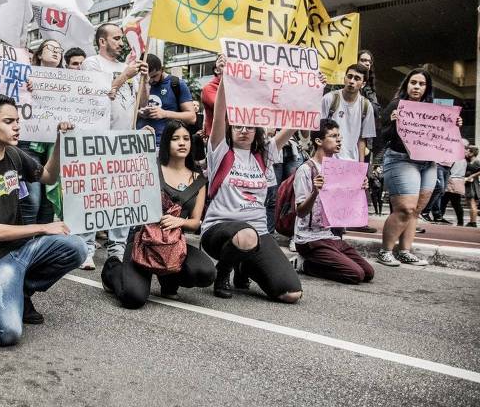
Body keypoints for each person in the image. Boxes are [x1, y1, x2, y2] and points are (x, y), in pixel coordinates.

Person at [0, 94, 86, 346]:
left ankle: (21, 290)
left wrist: (60, 141)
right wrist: (43, 227)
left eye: (18, 121)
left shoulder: (14, 155)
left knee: (76, 247)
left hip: (20, 250)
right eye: (9, 121)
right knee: (7, 333)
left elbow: (47, 176)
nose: (17, 126)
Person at [200, 56, 303, 302]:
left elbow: (294, 122)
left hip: (256, 232)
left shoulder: (264, 154)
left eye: (249, 126)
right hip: (219, 230)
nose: (244, 130)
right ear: (230, 129)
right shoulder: (221, 151)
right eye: (238, 126)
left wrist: (311, 92)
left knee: (291, 293)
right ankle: (222, 273)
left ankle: (243, 265)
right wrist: (225, 78)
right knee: (245, 236)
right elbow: (219, 115)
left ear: (257, 130)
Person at [101, 121, 215, 307]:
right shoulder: (150, 168)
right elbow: (121, 166)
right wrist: (138, 138)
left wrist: (178, 221)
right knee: (133, 298)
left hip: (172, 245)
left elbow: (195, 222)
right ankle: (112, 269)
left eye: (186, 138)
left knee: (205, 272)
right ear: (165, 143)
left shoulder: (199, 179)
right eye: (175, 138)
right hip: (142, 241)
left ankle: (169, 280)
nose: (182, 143)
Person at [377, 68, 461, 267]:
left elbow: (444, 137)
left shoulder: (434, 109)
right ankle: (385, 251)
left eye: (421, 84)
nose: (417, 87)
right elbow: (383, 136)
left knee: (416, 211)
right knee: (405, 208)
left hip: (429, 163)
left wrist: (454, 125)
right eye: (413, 82)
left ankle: (405, 251)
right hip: (401, 159)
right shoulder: (397, 105)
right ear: (407, 85)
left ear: (427, 88)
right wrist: (393, 123)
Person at [79, 23, 147, 262]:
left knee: (122, 198)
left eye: (121, 39)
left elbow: (141, 104)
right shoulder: (92, 64)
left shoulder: (126, 68)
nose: (121, 43)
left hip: (125, 141)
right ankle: (86, 247)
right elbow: (96, 97)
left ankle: (117, 246)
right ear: (102, 41)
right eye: (116, 38)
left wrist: (144, 80)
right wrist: (125, 76)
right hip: (98, 139)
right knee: (95, 196)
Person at [290, 119, 374, 284]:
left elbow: (345, 204)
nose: (339, 140)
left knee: (368, 272)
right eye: (333, 136)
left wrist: (360, 188)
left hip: (329, 235)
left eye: (339, 136)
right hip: (309, 239)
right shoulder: (306, 170)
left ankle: (321, 260)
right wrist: (315, 192)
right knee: (355, 274)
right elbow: (300, 212)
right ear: (319, 141)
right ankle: (303, 264)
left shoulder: (340, 169)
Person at [19, 39, 64, 228]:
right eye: (50, 48)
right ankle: (26, 242)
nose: (55, 52)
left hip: (54, 147)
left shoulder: (70, 82)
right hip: (30, 145)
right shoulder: (25, 76)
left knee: (48, 203)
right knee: (33, 199)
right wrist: (25, 88)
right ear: (38, 54)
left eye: (59, 49)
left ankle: (44, 246)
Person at [137, 53, 196, 146]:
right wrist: (139, 113)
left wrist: (164, 113)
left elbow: (192, 118)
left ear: (162, 69)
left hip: (166, 144)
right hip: (140, 143)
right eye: (148, 77)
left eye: (154, 76)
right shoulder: (137, 83)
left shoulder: (176, 84)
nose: (151, 81)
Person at [320, 64, 376, 163]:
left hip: (351, 162)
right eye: (349, 76)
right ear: (344, 78)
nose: (351, 81)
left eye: (357, 78)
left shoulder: (366, 106)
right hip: (328, 159)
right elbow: (319, 131)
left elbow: (362, 139)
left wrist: (361, 168)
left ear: (363, 84)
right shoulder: (329, 98)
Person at [440, 145, 471, 226]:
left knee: (444, 201)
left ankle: (440, 217)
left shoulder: (453, 158)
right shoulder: (465, 160)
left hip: (451, 181)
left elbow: (447, 169)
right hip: (459, 182)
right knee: (456, 204)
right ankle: (460, 222)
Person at [464, 146, 480, 228]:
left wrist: (471, 176)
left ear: (472, 153)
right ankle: (472, 221)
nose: (466, 153)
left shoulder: (476, 161)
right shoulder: (470, 161)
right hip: (469, 184)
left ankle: (473, 222)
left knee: (472, 203)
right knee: (470, 203)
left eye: (467, 152)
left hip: (472, 185)